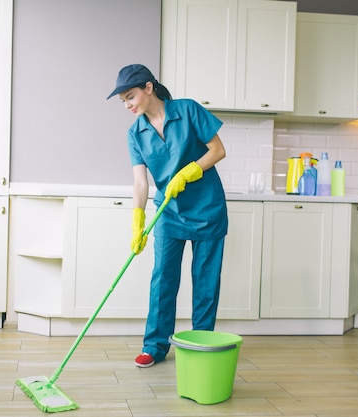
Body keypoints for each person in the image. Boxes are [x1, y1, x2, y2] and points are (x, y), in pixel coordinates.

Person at [107, 64, 228, 368]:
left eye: (130, 96)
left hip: (207, 208)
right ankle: (156, 345)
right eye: (123, 100)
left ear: (149, 88)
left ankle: (201, 341)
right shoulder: (135, 133)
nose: (127, 105)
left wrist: (190, 171)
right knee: (163, 279)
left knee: (205, 280)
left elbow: (218, 150)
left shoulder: (187, 110)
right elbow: (140, 182)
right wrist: (137, 223)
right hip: (168, 211)